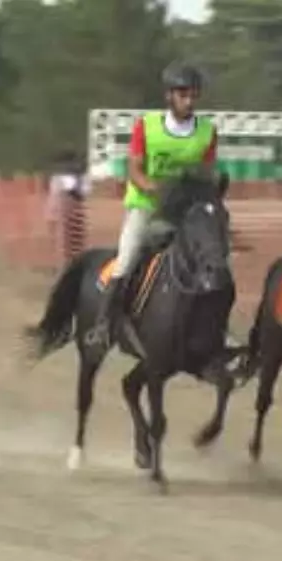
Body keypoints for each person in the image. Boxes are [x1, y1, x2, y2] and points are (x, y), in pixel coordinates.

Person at [87, 62, 218, 347]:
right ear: (169, 96)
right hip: (148, 205)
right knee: (128, 257)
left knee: (214, 258)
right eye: (183, 94)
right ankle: (103, 324)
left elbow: (207, 172)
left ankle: (217, 329)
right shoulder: (145, 127)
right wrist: (155, 189)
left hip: (187, 209)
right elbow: (134, 169)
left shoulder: (207, 131)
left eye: (193, 95)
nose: (189, 101)